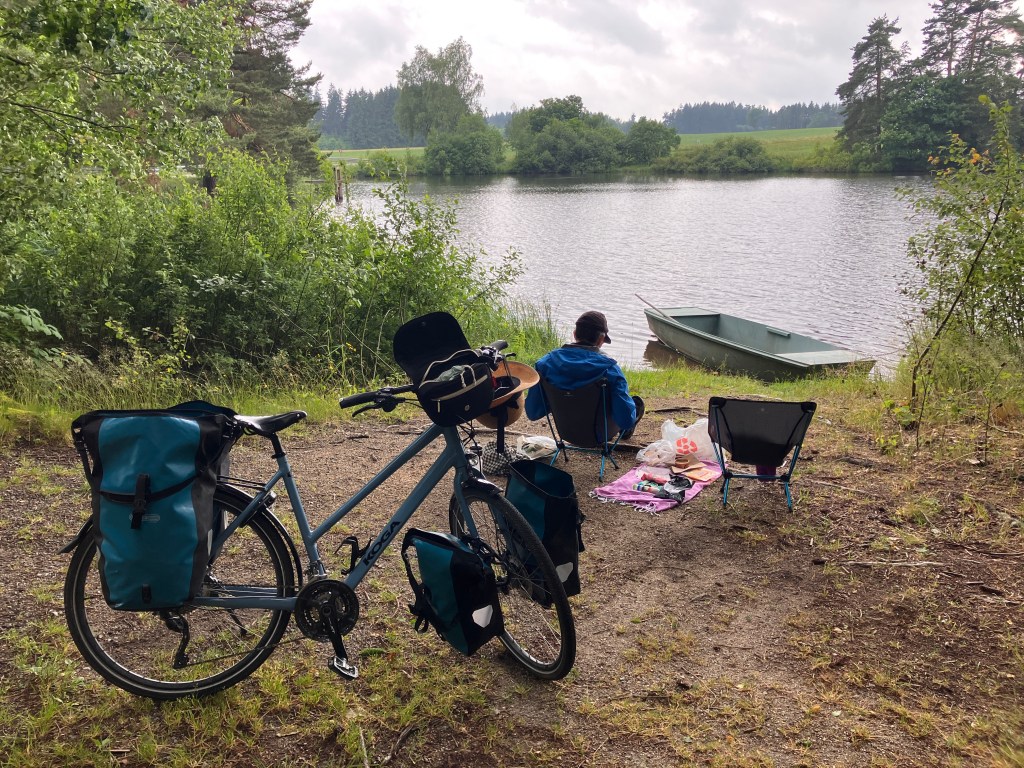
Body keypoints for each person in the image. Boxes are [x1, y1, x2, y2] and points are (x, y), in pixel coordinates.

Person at [525, 310, 645, 440]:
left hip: (566, 433)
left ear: (574, 334)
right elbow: (626, 421)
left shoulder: (544, 365)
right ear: (601, 339)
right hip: (600, 435)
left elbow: (533, 412)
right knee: (633, 403)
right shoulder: (610, 370)